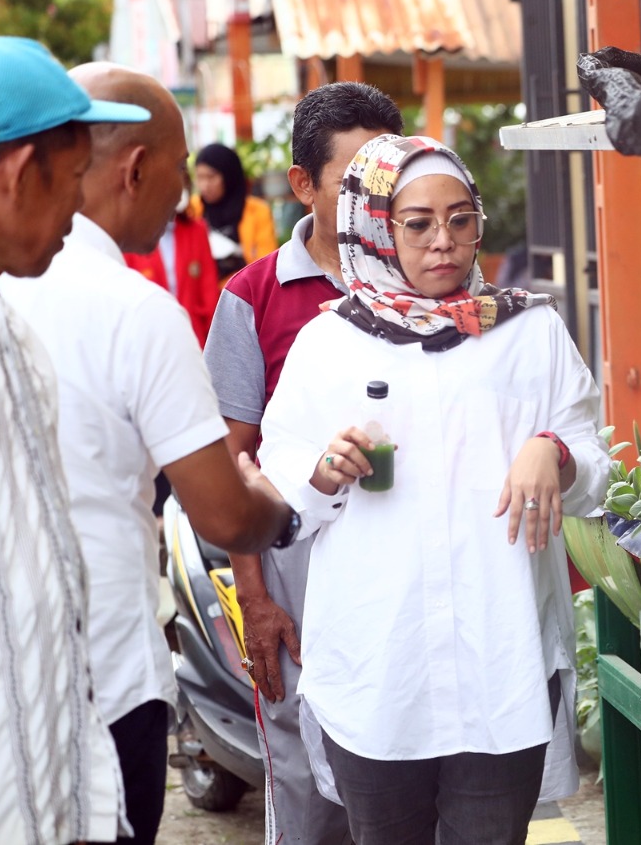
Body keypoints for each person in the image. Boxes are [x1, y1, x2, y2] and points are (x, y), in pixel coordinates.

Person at [257, 134, 609, 844]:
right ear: (378, 227)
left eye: (460, 218)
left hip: (500, 659)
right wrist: (324, 471)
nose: (442, 240)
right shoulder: (331, 343)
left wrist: (556, 452)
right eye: (417, 222)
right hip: (380, 667)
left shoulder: (530, 331)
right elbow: (280, 485)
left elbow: (598, 471)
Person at [0, 62, 303, 845]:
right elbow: (225, 511)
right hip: (105, 672)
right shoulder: (135, 310)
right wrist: (284, 502)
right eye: (177, 167)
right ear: (136, 168)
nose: (183, 191)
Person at [0, 35, 149, 845]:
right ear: (19, 169)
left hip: (51, 781)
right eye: (72, 179)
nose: (79, 209)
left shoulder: (3, 320)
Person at [203, 80, 403, 845]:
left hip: (403, 575)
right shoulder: (252, 296)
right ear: (302, 185)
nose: (373, 198)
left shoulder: (432, 281)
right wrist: (256, 600)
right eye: (352, 180)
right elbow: (234, 459)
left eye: (388, 176)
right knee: (307, 784)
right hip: (300, 585)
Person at [124, 183, 220, 347]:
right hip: (151, 342)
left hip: (195, 339)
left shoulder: (196, 230)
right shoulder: (131, 236)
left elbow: (209, 294)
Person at [190, 142, 278, 285]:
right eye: (200, 177)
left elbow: (266, 264)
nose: (204, 185)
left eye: (211, 177)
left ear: (228, 176)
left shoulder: (257, 211)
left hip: (244, 292)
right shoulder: (192, 209)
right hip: (203, 295)